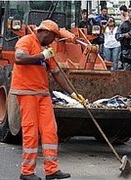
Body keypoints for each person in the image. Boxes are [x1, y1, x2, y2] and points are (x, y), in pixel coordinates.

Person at [10, 20, 87, 180]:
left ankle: (51, 170)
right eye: (53, 37)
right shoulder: (26, 41)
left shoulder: (47, 50)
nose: (53, 41)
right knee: (31, 132)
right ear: (46, 32)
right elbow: (19, 58)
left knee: (50, 131)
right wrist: (41, 56)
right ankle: (27, 172)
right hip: (27, 92)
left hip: (43, 94)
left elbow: (57, 73)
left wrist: (73, 94)